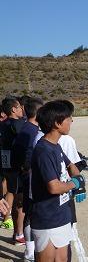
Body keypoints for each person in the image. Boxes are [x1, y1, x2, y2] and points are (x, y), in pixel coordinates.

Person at [30, 100, 86, 262]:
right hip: (47, 217)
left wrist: (79, 179)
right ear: (57, 123)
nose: (71, 121)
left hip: (61, 214)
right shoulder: (43, 150)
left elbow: (71, 165)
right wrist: (74, 184)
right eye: (68, 118)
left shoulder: (56, 146)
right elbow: (53, 187)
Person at [11, 97, 43, 254]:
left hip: (27, 176)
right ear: (38, 113)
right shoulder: (29, 131)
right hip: (29, 177)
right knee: (30, 212)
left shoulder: (28, 128)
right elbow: (20, 155)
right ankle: (30, 251)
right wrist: (26, 168)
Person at [0, 97, 25, 233]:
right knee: (16, 194)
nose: (22, 109)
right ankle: (8, 220)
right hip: (15, 164)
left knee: (8, 187)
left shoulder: (3, 123)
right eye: (20, 107)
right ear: (14, 110)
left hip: (5, 162)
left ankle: (6, 215)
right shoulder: (16, 124)